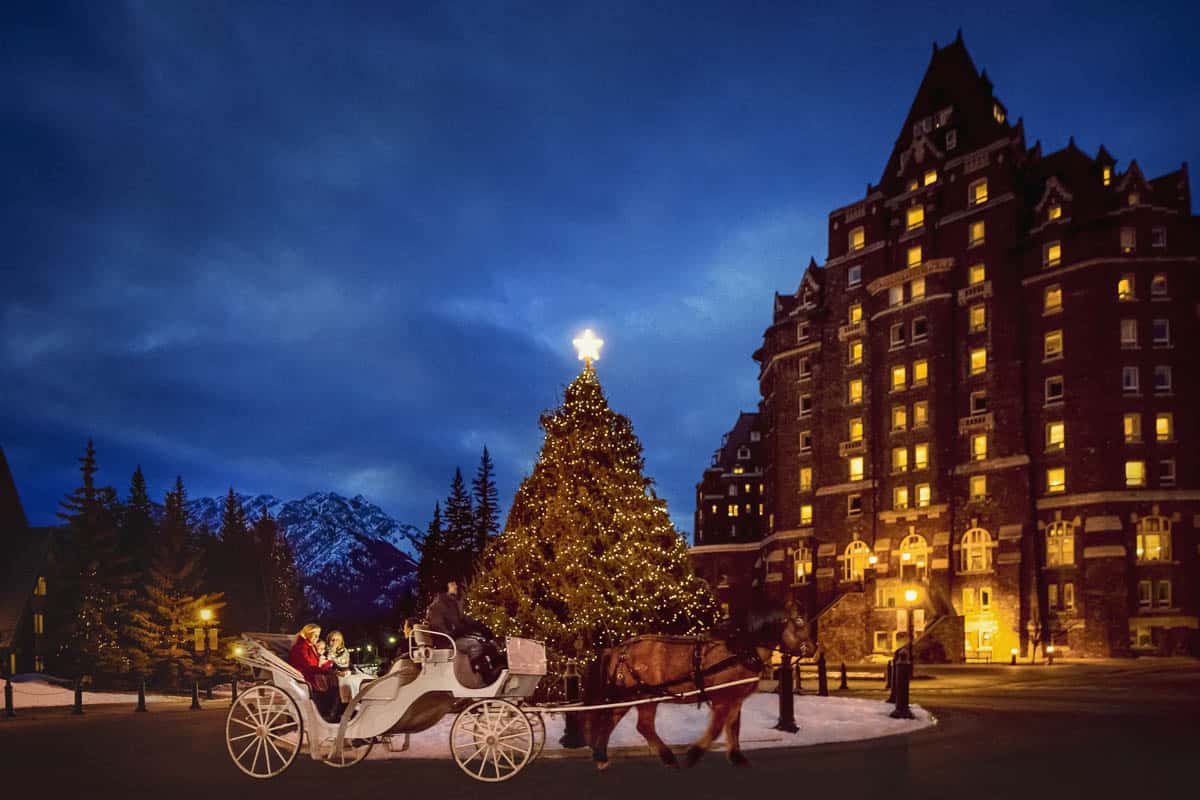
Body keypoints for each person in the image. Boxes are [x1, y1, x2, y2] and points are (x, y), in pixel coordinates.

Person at [425, 582, 501, 684]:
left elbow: (466, 620)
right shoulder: (437, 606)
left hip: (455, 638)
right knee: (475, 646)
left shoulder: (453, 604)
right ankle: (483, 677)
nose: (456, 586)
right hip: (445, 641)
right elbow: (438, 628)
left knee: (486, 644)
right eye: (452, 584)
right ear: (445, 587)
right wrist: (456, 632)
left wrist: (482, 628)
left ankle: (494, 672)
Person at [288, 623, 340, 722]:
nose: (317, 637)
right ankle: (327, 714)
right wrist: (326, 671)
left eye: (318, 635)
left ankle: (331, 712)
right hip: (303, 676)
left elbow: (315, 665)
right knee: (332, 684)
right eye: (315, 635)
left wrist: (329, 664)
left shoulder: (309, 646)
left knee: (335, 680)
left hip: (311, 673)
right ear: (308, 634)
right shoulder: (301, 647)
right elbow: (309, 666)